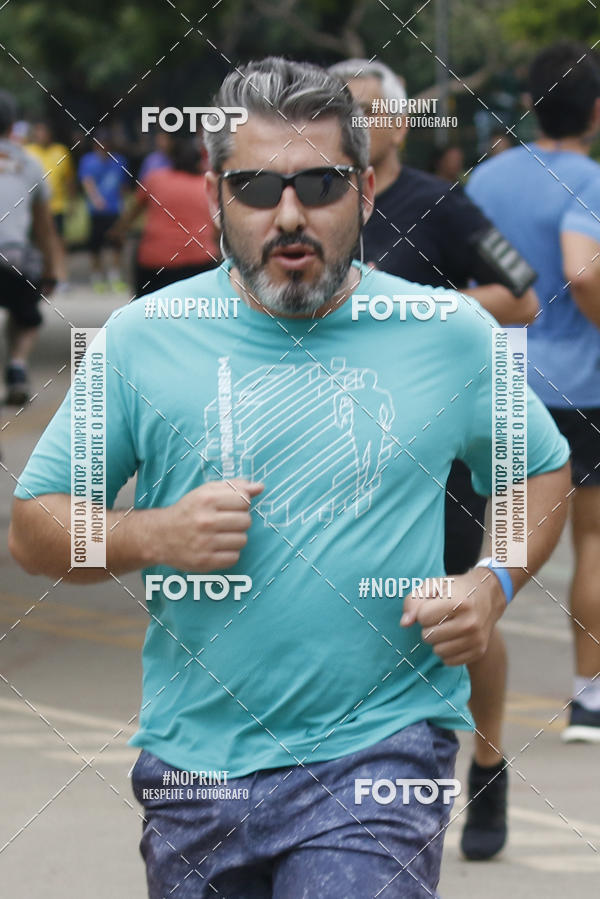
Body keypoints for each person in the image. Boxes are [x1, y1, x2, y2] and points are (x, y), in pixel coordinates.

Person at [9, 58, 570, 899]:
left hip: (380, 751)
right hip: (197, 767)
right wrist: (152, 533)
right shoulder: (139, 340)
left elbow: (541, 468)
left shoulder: (446, 331)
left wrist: (493, 581)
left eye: (320, 183)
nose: (291, 213)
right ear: (215, 198)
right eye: (258, 187)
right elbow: (35, 528)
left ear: (365, 193)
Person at [330, 57, 539, 861]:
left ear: (398, 122)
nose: (352, 123)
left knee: (454, 606)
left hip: (437, 442)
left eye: (364, 109)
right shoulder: (311, 201)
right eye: (336, 109)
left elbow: (521, 292)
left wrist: (419, 306)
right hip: (334, 442)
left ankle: (487, 761)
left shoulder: (440, 204)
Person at [467, 42, 600, 747]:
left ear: (528, 105)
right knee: (592, 538)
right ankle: (590, 699)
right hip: (582, 385)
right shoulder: (589, 180)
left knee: (492, 537)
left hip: (496, 377)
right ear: (597, 111)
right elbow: (583, 272)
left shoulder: (487, 179)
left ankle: (454, 687)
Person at [0, 91, 60, 405]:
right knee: (25, 313)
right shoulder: (30, 163)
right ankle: (18, 366)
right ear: (13, 126)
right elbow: (44, 227)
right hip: (14, 261)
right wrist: (51, 269)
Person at [111, 136, 219, 297]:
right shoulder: (207, 185)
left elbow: (132, 213)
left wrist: (117, 231)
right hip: (199, 261)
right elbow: (218, 226)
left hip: (155, 262)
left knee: (147, 307)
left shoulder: (155, 179)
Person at [26, 120, 76, 286]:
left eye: (43, 132)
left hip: (57, 205)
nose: (41, 135)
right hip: (33, 207)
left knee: (58, 242)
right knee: (35, 242)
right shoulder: (28, 151)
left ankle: (61, 277)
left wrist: (72, 202)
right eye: (38, 132)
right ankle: (37, 275)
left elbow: (69, 179)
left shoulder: (60, 151)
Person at [78, 130, 129, 290]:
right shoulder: (88, 161)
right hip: (96, 211)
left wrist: (123, 204)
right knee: (96, 245)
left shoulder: (119, 160)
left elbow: (123, 185)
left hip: (114, 208)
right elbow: (87, 182)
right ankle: (97, 276)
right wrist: (96, 199)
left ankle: (115, 275)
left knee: (116, 244)